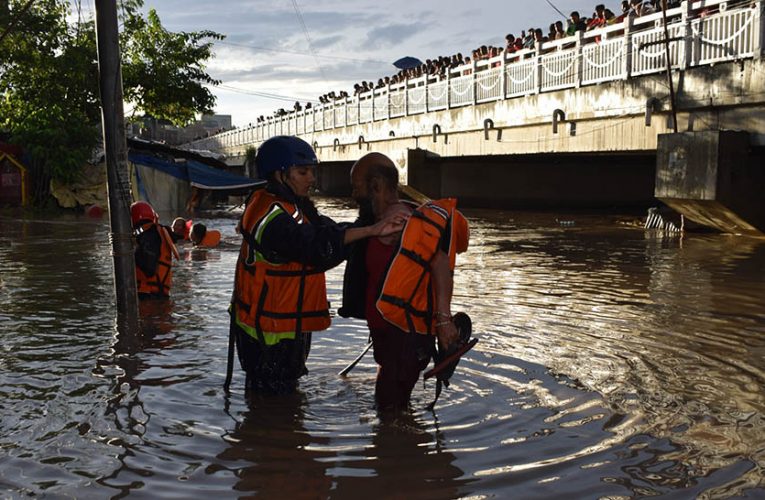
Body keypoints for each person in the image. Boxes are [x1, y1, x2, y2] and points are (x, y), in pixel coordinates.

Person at [229, 136, 405, 395]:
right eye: (303, 172)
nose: (311, 178)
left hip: (284, 326)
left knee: (284, 406)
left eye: (312, 171)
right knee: (272, 406)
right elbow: (314, 247)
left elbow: (327, 230)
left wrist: (372, 230)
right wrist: (371, 230)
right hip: (266, 334)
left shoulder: (291, 205)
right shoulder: (270, 217)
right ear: (280, 175)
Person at [341, 153, 470, 412]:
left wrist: (443, 321)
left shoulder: (401, 221)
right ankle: (402, 445)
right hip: (391, 335)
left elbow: (440, 263)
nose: (353, 194)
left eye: (357, 187)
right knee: (393, 408)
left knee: (390, 414)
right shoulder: (378, 222)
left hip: (406, 337)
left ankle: (401, 449)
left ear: (376, 185)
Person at [131, 201, 179, 299]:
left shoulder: (150, 236)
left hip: (150, 295)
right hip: (156, 295)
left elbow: (149, 269)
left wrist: (132, 251)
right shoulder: (155, 233)